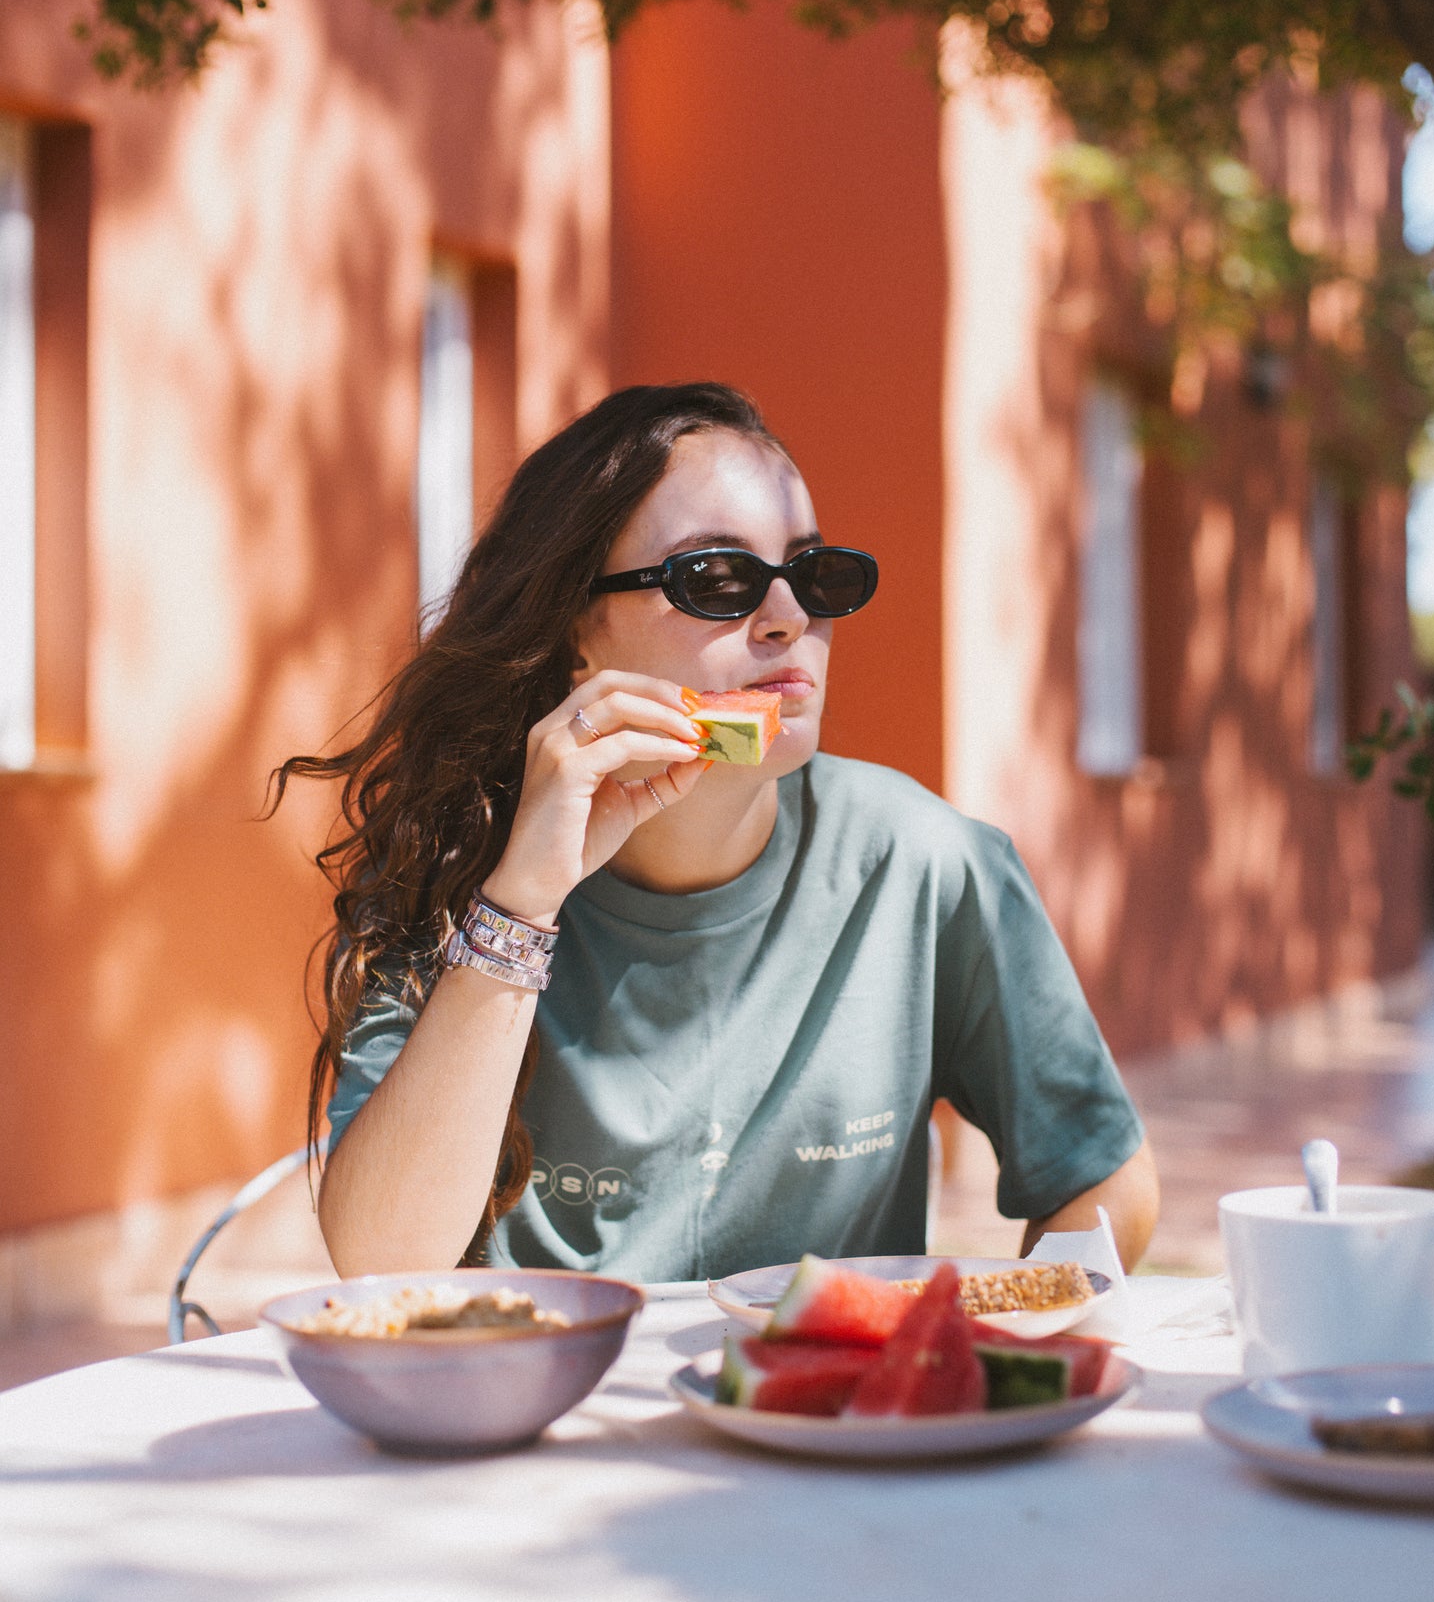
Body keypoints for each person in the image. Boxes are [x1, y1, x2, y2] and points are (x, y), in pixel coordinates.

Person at [277, 380, 1158, 1283]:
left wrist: (994, 1339)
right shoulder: (460, 863)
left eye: (814, 575)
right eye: (716, 579)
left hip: (818, 1419)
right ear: (579, 629)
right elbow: (383, 1264)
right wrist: (521, 906)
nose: (789, 618)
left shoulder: (925, 863)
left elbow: (1103, 1180)